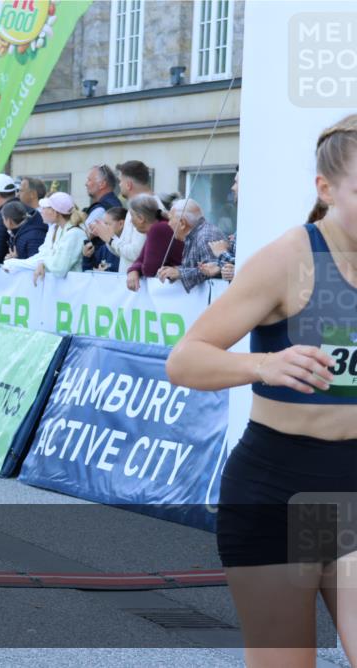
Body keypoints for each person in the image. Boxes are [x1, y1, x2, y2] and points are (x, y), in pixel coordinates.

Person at [166, 114, 356, 667]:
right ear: (325, 189)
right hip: (277, 491)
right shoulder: (289, 260)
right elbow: (185, 360)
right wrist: (266, 364)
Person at [89, 160, 152, 273]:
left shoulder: (144, 208)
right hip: (129, 282)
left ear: (128, 184)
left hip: (139, 283)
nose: (119, 185)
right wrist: (107, 237)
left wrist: (111, 239)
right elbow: (122, 251)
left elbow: (135, 253)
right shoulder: (134, 207)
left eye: (120, 181)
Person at [156, 198, 226, 292]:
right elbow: (199, 269)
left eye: (170, 219)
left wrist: (180, 273)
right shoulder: (195, 234)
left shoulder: (205, 236)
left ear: (182, 223)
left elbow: (213, 272)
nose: (168, 224)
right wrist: (173, 271)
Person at [125, 194, 181, 292]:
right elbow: (140, 260)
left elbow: (149, 270)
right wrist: (133, 270)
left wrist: (136, 269)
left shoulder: (159, 229)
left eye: (132, 216)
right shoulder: (158, 226)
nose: (130, 221)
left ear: (141, 218)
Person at [32, 191, 88, 285]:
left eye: (46, 208)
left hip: (74, 289)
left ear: (55, 212)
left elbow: (59, 268)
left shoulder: (73, 233)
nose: (42, 211)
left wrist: (43, 262)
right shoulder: (63, 230)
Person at [83, 206, 125, 272]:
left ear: (121, 224)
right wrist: (87, 257)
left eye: (107, 224)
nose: (104, 227)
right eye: (103, 224)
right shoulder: (104, 248)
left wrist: (106, 272)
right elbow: (87, 274)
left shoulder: (127, 247)